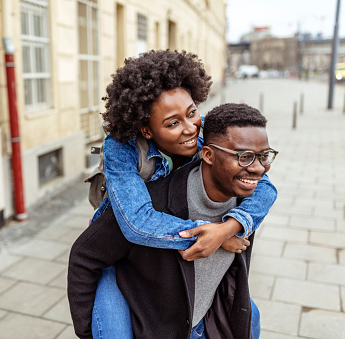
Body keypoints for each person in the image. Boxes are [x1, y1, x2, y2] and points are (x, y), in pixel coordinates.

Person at [88, 50, 276, 338]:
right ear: (146, 129)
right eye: (173, 123)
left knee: (248, 316)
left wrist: (230, 227)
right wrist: (210, 234)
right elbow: (137, 222)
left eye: (191, 113)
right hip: (116, 247)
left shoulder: (201, 142)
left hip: (164, 252)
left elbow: (265, 185)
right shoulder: (121, 147)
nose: (191, 128)